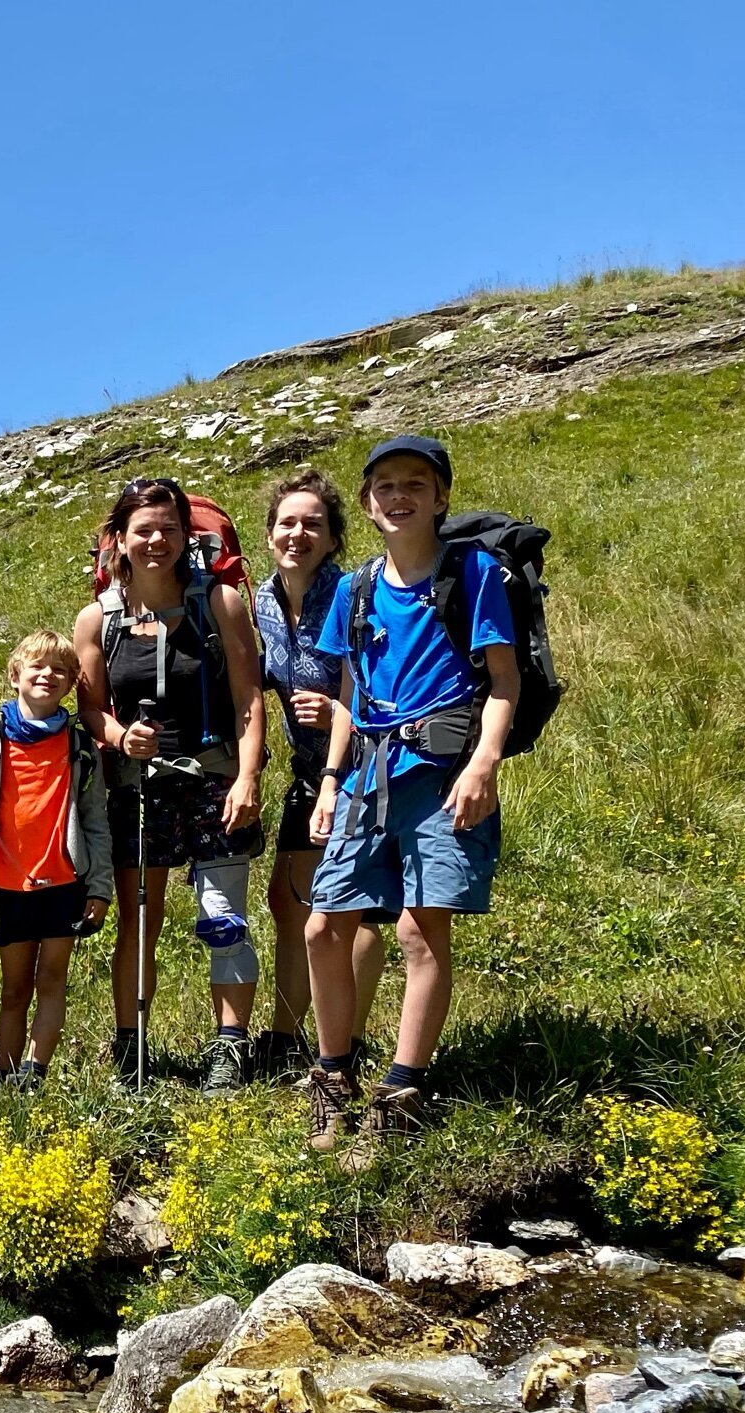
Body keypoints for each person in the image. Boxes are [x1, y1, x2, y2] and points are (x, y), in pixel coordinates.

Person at [302, 434, 519, 1156]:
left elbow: (503, 681)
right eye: (386, 486)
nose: (400, 496)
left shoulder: (474, 572)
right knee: (322, 926)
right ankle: (334, 1080)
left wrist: (484, 762)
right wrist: (330, 781)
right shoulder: (356, 589)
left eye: (415, 484)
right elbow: (346, 694)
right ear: (366, 505)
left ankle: (400, 1093)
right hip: (367, 774)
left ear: (441, 496)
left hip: (445, 768)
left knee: (419, 931)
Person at [73, 477, 268, 1093]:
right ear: (120, 541)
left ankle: (229, 1049)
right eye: (143, 530)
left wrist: (248, 777)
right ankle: (131, 1048)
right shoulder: (96, 620)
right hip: (137, 788)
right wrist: (118, 736)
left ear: (188, 534)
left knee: (222, 915)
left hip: (213, 779)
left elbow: (249, 697)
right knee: (139, 920)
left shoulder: (221, 603)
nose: (157, 540)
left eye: (169, 529)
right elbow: (92, 710)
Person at [250, 468, 385, 1081]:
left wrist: (337, 713)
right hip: (306, 773)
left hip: (361, 770)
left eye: (312, 524)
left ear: (333, 538)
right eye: (286, 523)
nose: (297, 534)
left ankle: (347, 1042)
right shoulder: (263, 601)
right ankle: (286, 1037)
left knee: (349, 912)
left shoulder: (354, 594)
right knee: (290, 903)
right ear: (270, 533)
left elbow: (377, 689)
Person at [0, 631, 112, 1085]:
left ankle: (34, 1076)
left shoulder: (79, 748)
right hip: (9, 884)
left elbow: (95, 821)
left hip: (65, 881)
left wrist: (99, 886)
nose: (48, 675)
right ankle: (5, 1079)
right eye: (37, 666)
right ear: (15, 675)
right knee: (14, 989)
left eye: (60, 670)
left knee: (53, 980)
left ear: (72, 682)